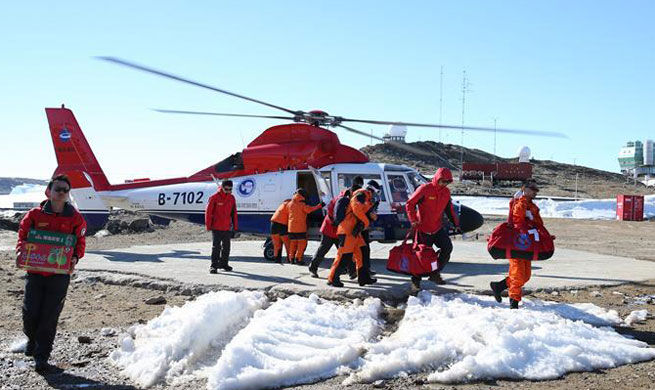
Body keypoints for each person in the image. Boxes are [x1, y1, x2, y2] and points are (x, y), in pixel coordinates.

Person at [16, 174, 87, 372]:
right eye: (58, 189)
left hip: (59, 274)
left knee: (49, 316)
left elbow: (80, 242)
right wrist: (21, 251)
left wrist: (75, 257)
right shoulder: (34, 215)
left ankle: (42, 357)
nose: (62, 193)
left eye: (65, 190)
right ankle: (31, 339)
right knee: (30, 312)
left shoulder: (75, 218)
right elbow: (23, 236)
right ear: (49, 191)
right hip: (36, 271)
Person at [490, 179, 548, 309]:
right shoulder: (518, 202)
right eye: (533, 190)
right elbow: (517, 219)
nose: (535, 193)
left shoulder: (531, 205)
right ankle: (513, 305)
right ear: (524, 189)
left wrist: (544, 236)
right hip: (517, 243)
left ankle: (498, 286)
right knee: (517, 275)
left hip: (527, 243)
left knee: (525, 276)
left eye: (536, 191)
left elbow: (538, 223)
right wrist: (522, 200)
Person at [405, 167, 460, 290]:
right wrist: (413, 220)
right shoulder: (425, 189)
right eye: (443, 181)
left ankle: (434, 273)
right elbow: (410, 203)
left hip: (437, 227)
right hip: (423, 228)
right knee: (419, 256)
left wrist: (456, 224)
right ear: (437, 178)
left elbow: (449, 209)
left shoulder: (446, 192)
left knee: (447, 248)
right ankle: (415, 281)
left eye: (447, 182)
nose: (445, 184)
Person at [308, 176, 363, 278]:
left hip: (340, 230)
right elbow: (334, 215)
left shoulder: (350, 198)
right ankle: (313, 268)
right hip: (330, 229)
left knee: (346, 252)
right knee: (323, 250)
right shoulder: (342, 199)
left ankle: (352, 272)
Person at [327, 180, 379, 287]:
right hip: (347, 230)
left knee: (362, 252)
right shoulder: (361, 194)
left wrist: (371, 215)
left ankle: (363, 278)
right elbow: (357, 209)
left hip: (354, 231)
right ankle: (333, 278)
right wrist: (366, 221)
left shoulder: (366, 197)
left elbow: (363, 212)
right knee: (344, 256)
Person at [205, 179, 238, 273]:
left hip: (227, 227)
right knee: (216, 247)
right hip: (216, 227)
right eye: (227, 189)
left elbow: (234, 213)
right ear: (222, 188)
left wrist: (235, 226)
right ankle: (213, 266)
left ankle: (224, 264)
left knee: (226, 247)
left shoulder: (232, 198)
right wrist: (208, 225)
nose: (228, 191)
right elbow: (208, 212)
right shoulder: (214, 197)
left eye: (230, 189)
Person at [287, 188, 324, 265]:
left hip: (291, 228)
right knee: (301, 244)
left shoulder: (290, 204)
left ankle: (291, 258)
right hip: (300, 228)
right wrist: (320, 205)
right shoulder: (302, 205)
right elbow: (310, 210)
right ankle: (298, 258)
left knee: (293, 243)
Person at [270, 198, 292, 263]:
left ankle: (277, 259)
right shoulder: (291, 205)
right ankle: (290, 259)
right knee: (288, 244)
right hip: (283, 225)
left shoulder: (282, 205)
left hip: (273, 224)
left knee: (276, 244)